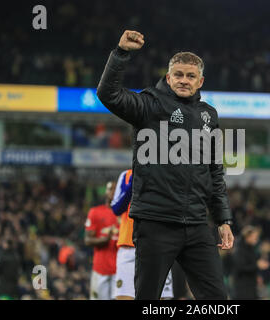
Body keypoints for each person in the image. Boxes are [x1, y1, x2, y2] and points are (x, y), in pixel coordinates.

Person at [97, 30, 234, 300]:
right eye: (179, 75)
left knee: (218, 300)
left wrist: (223, 219)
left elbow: (215, 171)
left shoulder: (209, 115)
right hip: (155, 222)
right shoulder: (149, 105)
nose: (184, 80)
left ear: (200, 81)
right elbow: (108, 94)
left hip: (196, 224)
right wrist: (121, 54)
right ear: (169, 77)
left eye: (190, 76)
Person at [110, 169, 174, 300]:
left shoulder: (168, 174)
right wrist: (134, 179)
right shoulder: (126, 175)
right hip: (129, 248)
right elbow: (117, 208)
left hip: (157, 247)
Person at [84, 181, 119, 300]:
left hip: (120, 270)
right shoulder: (95, 212)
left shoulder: (126, 214)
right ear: (106, 192)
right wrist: (106, 239)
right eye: (110, 189)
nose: (113, 192)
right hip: (100, 268)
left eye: (116, 189)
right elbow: (88, 240)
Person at [232, 225, 268, 299]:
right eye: (255, 237)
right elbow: (240, 267)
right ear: (247, 237)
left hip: (252, 286)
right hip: (243, 288)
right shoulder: (239, 250)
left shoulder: (251, 249)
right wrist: (257, 265)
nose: (256, 239)